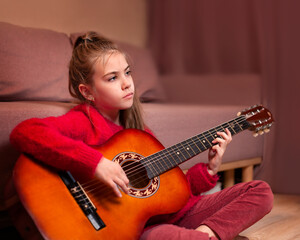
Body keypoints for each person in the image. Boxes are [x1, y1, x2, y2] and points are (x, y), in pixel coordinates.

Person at [10, 32, 273, 240]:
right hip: (143, 229)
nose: (127, 83)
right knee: (165, 235)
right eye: (112, 78)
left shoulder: (139, 134)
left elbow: (174, 190)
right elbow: (25, 132)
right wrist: (96, 163)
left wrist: (210, 168)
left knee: (260, 192)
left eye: (127, 73)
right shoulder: (83, 121)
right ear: (87, 91)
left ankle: (205, 236)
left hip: (178, 214)